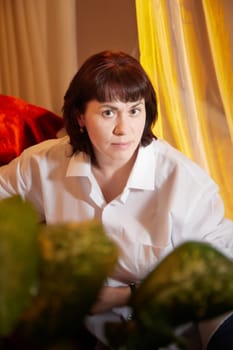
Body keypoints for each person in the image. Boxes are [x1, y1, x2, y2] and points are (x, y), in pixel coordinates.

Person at [0, 50, 233, 349]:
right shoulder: (44, 164)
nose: (124, 129)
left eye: (134, 110)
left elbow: (218, 276)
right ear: (80, 116)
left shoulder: (183, 182)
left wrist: (125, 295)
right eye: (108, 112)